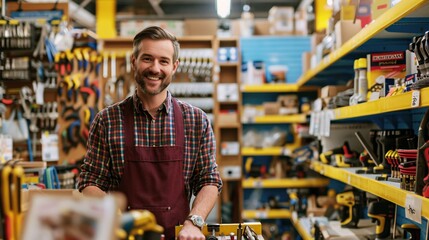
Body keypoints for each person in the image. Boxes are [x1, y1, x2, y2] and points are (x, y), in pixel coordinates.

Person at [77, 26, 222, 240]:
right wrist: (114, 218)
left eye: (163, 61)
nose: (155, 68)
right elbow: (90, 181)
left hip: (180, 236)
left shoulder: (196, 121)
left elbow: (209, 180)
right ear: (134, 61)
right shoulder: (107, 120)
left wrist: (194, 222)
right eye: (147, 59)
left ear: (174, 67)